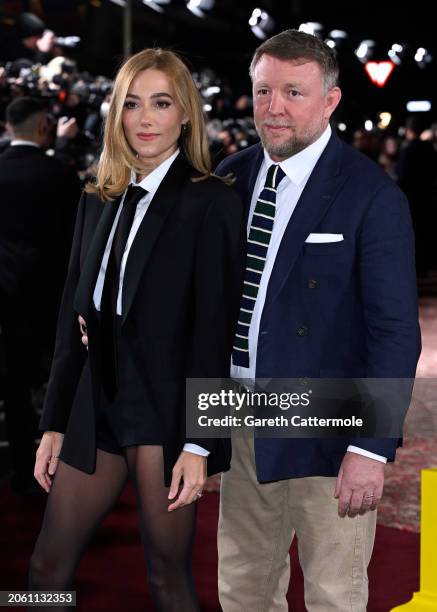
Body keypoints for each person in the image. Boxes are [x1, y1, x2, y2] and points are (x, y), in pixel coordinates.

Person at [29, 48, 243, 611]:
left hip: (168, 410)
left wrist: (201, 441)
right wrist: (53, 421)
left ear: (185, 115)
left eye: (161, 103)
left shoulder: (210, 201)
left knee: (167, 578)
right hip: (96, 402)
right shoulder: (97, 197)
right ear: (116, 115)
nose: (145, 118)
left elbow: (215, 333)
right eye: (131, 104)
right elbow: (70, 321)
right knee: (44, 569)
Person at [214, 29, 421, 611]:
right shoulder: (231, 175)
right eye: (261, 92)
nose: (273, 107)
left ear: (329, 101)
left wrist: (372, 448)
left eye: (293, 93)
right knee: (243, 586)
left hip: (329, 421)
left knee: (334, 593)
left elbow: (395, 332)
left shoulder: (370, 194)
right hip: (236, 410)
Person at [0, 96, 80, 494]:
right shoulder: (59, 173)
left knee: (15, 384)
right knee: (61, 380)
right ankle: (65, 468)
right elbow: (76, 241)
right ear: (44, 126)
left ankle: (21, 467)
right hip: (54, 297)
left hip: (8, 298)